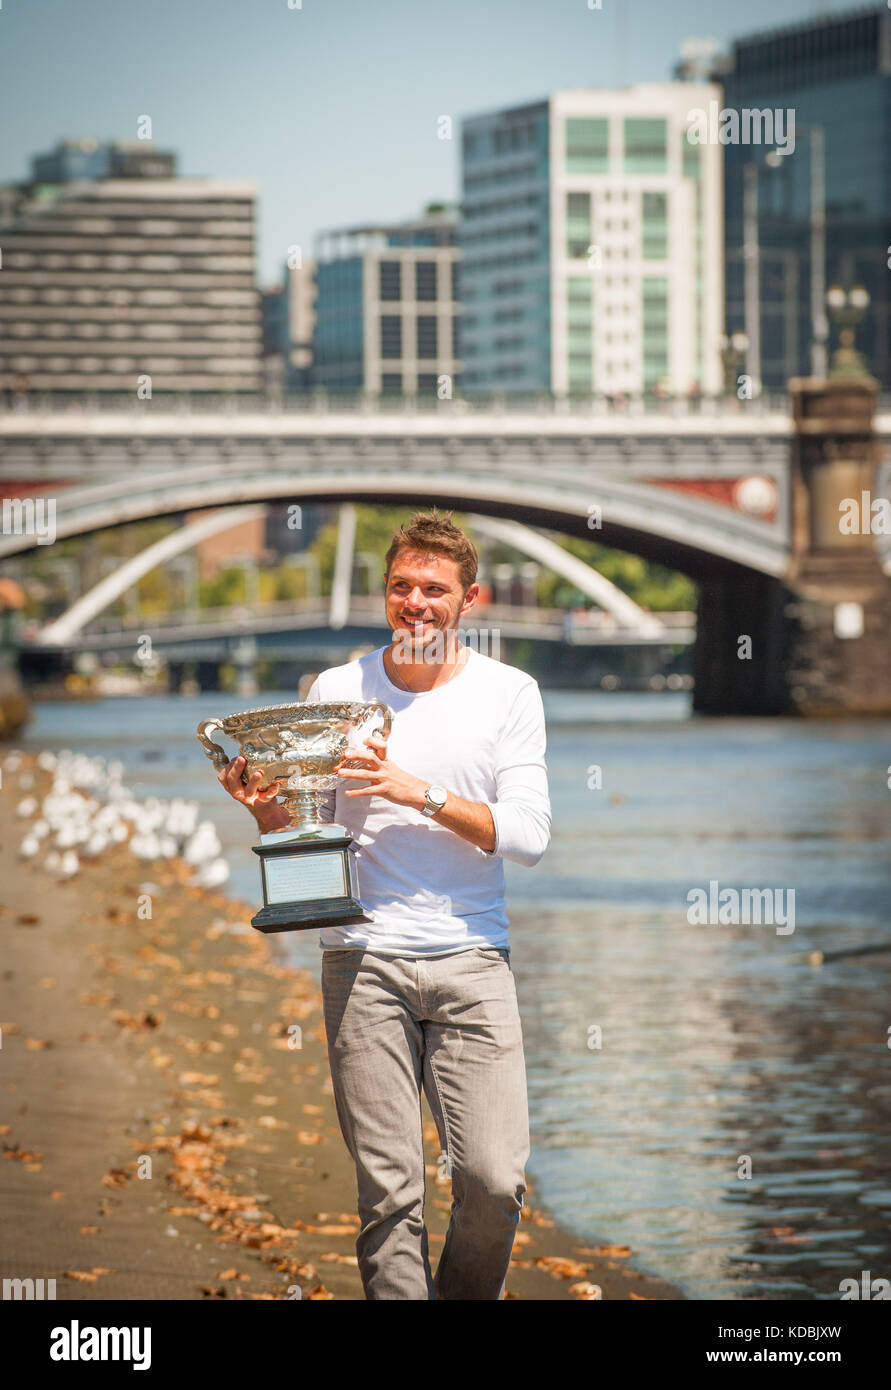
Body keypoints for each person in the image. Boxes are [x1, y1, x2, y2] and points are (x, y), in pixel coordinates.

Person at [217, 510, 551, 1299]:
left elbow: (529, 836)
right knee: (390, 1195)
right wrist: (266, 811)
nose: (415, 603)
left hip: (472, 958)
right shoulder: (338, 691)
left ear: (469, 599)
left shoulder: (508, 693)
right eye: (401, 586)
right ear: (385, 595)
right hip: (361, 959)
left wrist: (417, 791)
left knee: (493, 1182)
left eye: (433, 589)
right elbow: (311, 835)